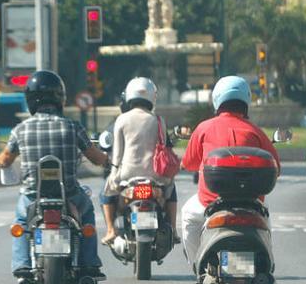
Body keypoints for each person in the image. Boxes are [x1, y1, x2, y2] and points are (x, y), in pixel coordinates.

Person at [0, 70, 109, 284]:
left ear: (30, 100)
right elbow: (96, 158)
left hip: (33, 196)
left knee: (22, 222)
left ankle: (23, 267)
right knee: (87, 215)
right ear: (60, 98)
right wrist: (107, 159)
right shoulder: (73, 127)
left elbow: (5, 160)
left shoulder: (20, 129)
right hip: (69, 195)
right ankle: (89, 263)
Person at [179, 75, 281, 268]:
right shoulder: (255, 131)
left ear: (217, 99)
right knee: (266, 224)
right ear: (246, 100)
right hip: (252, 205)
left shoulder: (204, 128)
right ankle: (268, 263)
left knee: (188, 215)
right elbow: (276, 167)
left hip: (209, 204)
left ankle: (196, 264)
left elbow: (190, 163)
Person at [100, 77, 178, 245]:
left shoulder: (122, 119)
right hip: (156, 176)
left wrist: (114, 174)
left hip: (127, 175)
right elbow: (164, 149)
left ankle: (110, 230)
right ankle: (173, 228)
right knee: (172, 189)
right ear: (152, 97)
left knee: (105, 193)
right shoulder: (158, 120)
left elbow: (118, 154)